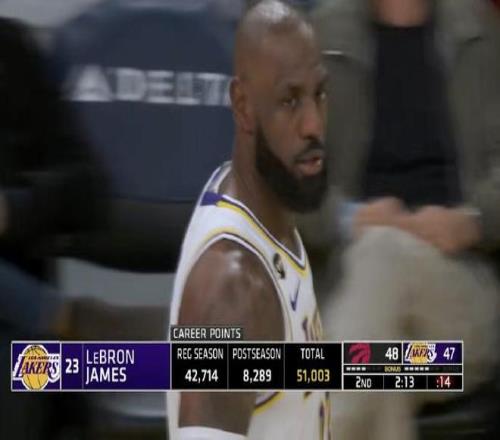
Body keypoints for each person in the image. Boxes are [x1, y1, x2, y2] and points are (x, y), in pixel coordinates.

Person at [304, 0, 500, 438]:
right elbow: (283, 187)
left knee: (382, 254)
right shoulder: (322, 37)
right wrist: (349, 219)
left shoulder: (479, 35)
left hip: (457, 312)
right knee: (378, 373)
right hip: (396, 342)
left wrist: (471, 221)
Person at [167, 1, 331, 439]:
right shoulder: (232, 290)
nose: (313, 124)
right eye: (289, 101)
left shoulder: (263, 206)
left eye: (319, 94)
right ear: (242, 106)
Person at [0, 16, 106, 440]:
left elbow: (86, 189)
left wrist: (13, 207)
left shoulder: (10, 53)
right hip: (31, 315)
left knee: (27, 368)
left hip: (14, 334)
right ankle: (63, 316)